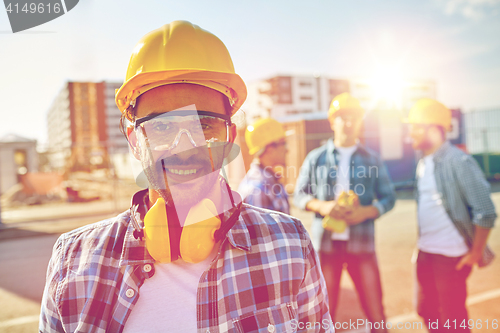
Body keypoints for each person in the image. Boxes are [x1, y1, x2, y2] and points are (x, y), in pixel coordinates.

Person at [39, 21, 332, 332]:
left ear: (229, 137)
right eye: (162, 126)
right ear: (135, 141)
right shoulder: (73, 266)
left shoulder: (289, 246)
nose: (185, 149)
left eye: (204, 125)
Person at [294, 93, 396, 333]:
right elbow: (299, 195)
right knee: (322, 315)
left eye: (353, 117)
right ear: (332, 121)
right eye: (342, 117)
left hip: (362, 246)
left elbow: (389, 197)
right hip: (327, 248)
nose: (348, 123)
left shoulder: (372, 159)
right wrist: (323, 206)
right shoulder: (315, 158)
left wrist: (367, 211)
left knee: (377, 315)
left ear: (360, 121)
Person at [406, 98, 497, 332]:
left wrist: (476, 252)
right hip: (426, 252)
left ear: (434, 128)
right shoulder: (423, 162)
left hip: (451, 257)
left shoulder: (459, 161)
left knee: (453, 322)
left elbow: (485, 211)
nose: (410, 132)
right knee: (426, 311)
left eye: (416, 126)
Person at [238, 118, 290, 214]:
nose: (287, 150)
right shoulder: (257, 190)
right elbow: (261, 229)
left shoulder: (271, 180)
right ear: (270, 149)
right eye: (284, 143)